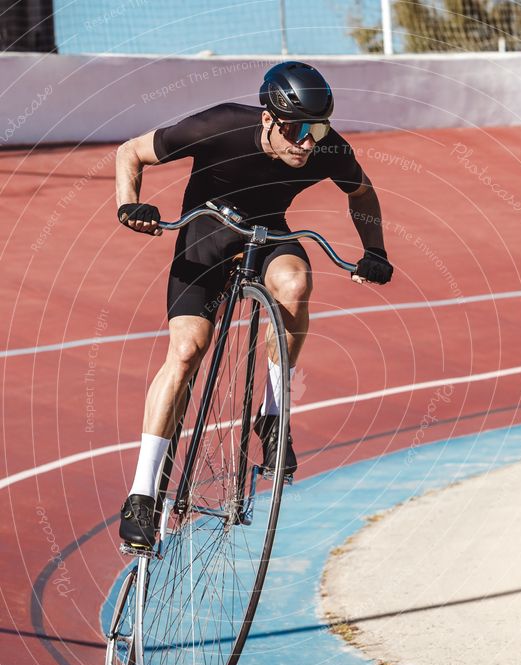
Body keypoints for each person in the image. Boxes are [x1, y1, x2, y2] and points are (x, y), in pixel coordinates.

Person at [116, 61, 393, 549]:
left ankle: (271, 412)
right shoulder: (220, 126)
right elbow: (130, 152)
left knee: (295, 281)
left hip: (269, 231)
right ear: (268, 118)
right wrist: (129, 205)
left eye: (319, 127)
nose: (308, 142)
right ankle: (142, 493)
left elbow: (362, 191)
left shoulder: (325, 146)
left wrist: (375, 250)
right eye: (297, 129)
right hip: (206, 231)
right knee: (186, 351)